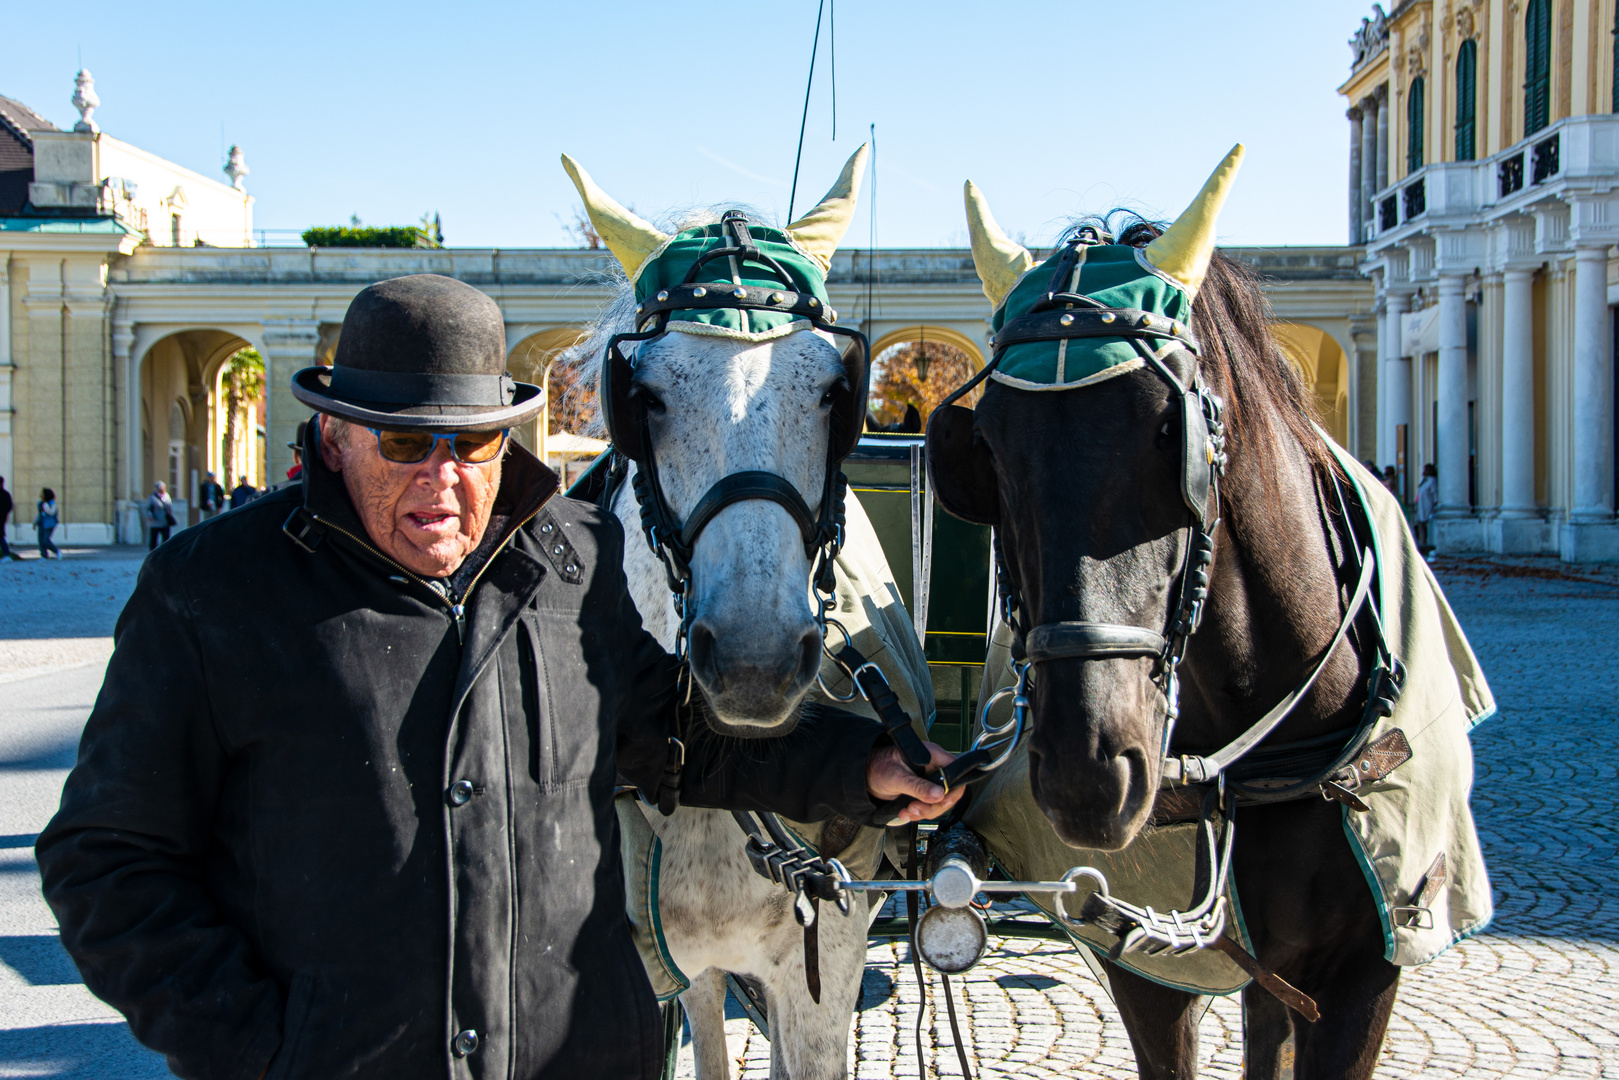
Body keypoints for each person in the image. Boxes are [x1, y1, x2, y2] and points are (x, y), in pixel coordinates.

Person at [35, 274, 959, 1080]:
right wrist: (260, 1053)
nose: (443, 477)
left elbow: (675, 740)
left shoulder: (575, 562)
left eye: (472, 444)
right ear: (333, 435)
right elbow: (106, 862)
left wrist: (862, 769)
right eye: (405, 444)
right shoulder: (213, 591)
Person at [1415, 462, 1438, 555]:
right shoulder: (1424, 481)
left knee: (1427, 528)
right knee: (1421, 529)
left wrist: (1435, 505)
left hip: (1428, 508)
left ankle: (1428, 547)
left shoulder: (1432, 481)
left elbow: (1434, 494)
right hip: (1421, 508)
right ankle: (1422, 545)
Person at [144, 481, 175, 550]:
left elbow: (169, 506)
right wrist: (150, 516)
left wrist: (170, 512)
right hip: (156, 521)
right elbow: (148, 508)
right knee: (154, 538)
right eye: (161, 488)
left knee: (166, 538)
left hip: (165, 521)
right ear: (157, 489)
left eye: (164, 488)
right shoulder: (152, 497)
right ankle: (152, 551)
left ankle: (165, 551)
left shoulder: (167, 496)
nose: (163, 489)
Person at [34, 487, 60, 559]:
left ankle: (56, 551)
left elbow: (52, 512)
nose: (41, 494)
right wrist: (35, 522)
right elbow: (38, 513)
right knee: (40, 540)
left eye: (42, 493)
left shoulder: (51, 503)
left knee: (45, 540)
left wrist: (45, 506)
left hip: (49, 524)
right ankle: (43, 554)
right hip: (41, 522)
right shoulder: (40, 503)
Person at [0, 475, 16, 560]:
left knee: (0, 536)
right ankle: (6, 554)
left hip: (1, 518)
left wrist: (2, 514)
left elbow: (8, 506)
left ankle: (6, 554)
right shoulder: (6, 494)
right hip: (2, 517)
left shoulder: (5, 494)